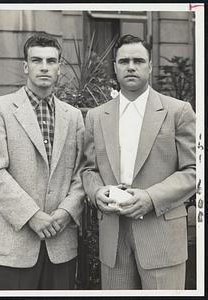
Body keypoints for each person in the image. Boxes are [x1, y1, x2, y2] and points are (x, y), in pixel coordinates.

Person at [82, 34, 196, 290]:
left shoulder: (178, 111)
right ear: (115, 67)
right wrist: (97, 191)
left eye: (138, 60)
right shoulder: (96, 117)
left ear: (150, 66)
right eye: (124, 61)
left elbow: (194, 170)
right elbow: (88, 169)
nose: (131, 66)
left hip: (162, 237)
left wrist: (151, 198)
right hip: (113, 239)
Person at [0, 32, 85, 290]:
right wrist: (32, 215)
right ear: (26, 67)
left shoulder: (73, 117)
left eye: (51, 61)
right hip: (13, 245)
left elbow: (83, 173)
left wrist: (66, 211)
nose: (44, 67)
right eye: (37, 60)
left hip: (61, 244)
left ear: (60, 67)